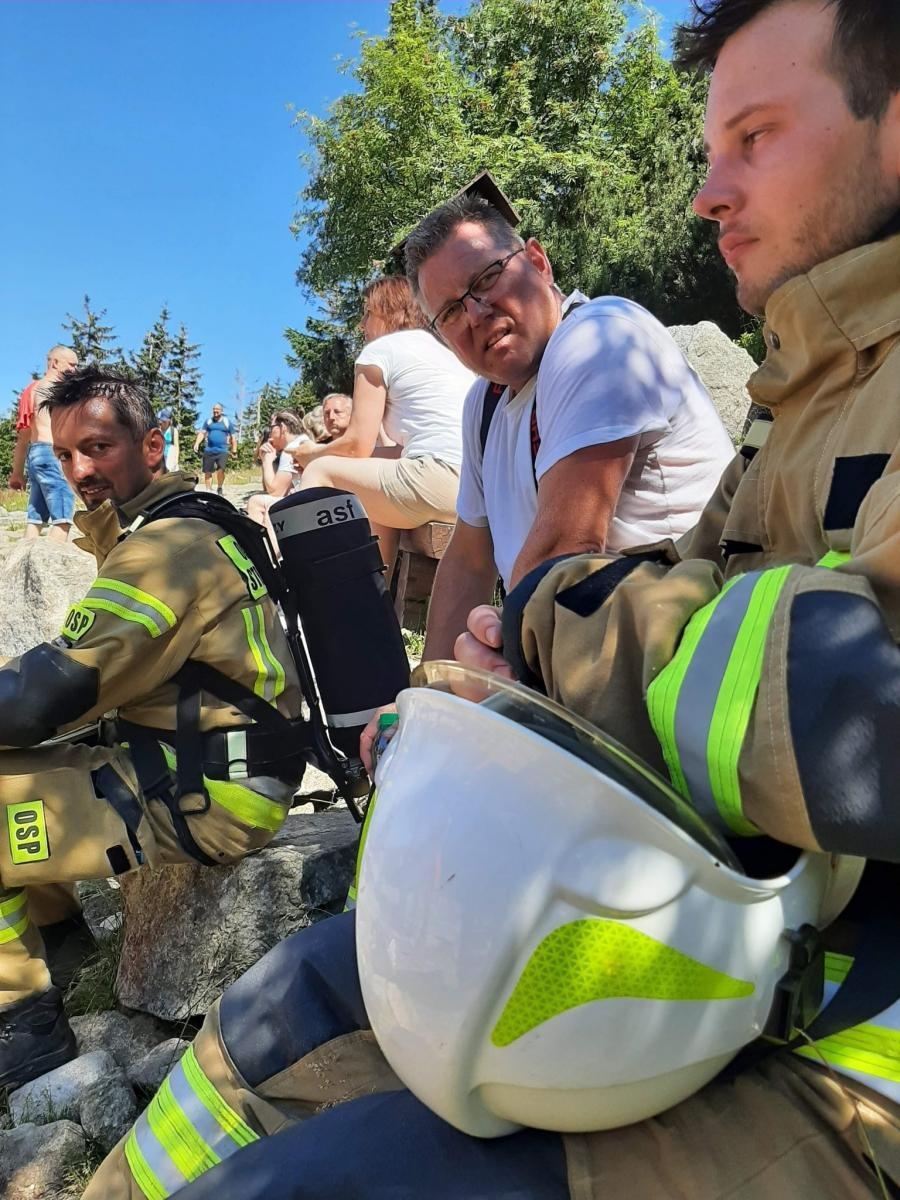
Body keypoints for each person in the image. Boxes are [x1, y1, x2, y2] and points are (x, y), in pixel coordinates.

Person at [86, 1, 900, 1196]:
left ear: (541, 266)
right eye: (451, 309)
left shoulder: (601, 342)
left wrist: (545, 635)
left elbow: (574, 558)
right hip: (711, 878)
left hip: (835, 1016)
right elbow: (479, 555)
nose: (706, 194)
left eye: (758, 137)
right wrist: (436, 694)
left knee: (328, 1179)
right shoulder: (797, 389)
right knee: (298, 996)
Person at [0, 365, 306, 1093]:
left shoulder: (164, 550)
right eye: (68, 453)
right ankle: (59, 945)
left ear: (154, 444)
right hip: (212, 760)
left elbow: (57, 688)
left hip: (209, 793)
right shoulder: (184, 521)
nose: (80, 470)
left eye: (99, 447)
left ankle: (22, 1029)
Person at [291, 277, 476, 578]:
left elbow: (356, 445)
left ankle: (308, 585)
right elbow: (396, 452)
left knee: (319, 471)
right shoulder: (445, 351)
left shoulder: (380, 352)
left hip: (438, 479)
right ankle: (373, 604)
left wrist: (312, 454)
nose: (362, 325)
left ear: (388, 311)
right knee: (378, 495)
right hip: (475, 489)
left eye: (367, 313)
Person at [9, 345, 78, 544]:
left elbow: (23, 438)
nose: (75, 370)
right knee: (62, 517)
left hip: (36, 453)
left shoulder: (31, 391)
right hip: (53, 452)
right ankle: (53, 567)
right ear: (55, 363)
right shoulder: (59, 391)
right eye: (71, 365)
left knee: (35, 518)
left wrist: (16, 473)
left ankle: (21, 562)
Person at [246, 410, 307, 528]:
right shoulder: (302, 441)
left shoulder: (291, 449)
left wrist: (267, 461)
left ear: (282, 428)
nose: (270, 434)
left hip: (307, 507)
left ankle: (263, 546)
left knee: (256, 502)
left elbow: (275, 492)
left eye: (272, 427)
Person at [193, 403, 236, 495]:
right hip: (209, 450)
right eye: (214, 409)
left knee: (221, 469)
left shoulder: (226, 422)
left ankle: (219, 487)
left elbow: (233, 436)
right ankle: (208, 490)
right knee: (207, 470)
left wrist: (234, 449)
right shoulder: (208, 421)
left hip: (222, 450)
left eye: (217, 409)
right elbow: (202, 433)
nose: (215, 411)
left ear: (221, 411)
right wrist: (197, 443)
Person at [157, 408, 180, 472]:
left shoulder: (173, 431)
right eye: (162, 421)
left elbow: (176, 446)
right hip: (159, 457)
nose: (163, 423)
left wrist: (176, 460)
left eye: (165, 421)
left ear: (169, 421)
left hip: (170, 458)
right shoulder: (158, 430)